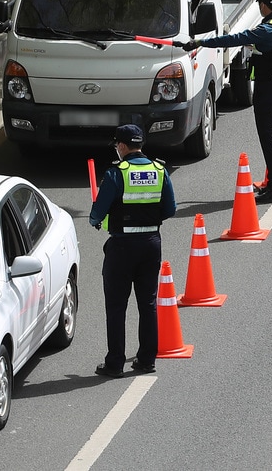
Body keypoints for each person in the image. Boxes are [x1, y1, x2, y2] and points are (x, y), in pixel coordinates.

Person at [183, 0, 272, 201]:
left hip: (266, 89)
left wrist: (199, 42)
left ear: (264, 6)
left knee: (269, 138)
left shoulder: (265, 31)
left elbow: (231, 40)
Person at [91, 124, 176, 379]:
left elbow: (98, 212)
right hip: (151, 242)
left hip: (122, 246)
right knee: (147, 303)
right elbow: (170, 208)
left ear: (123, 146)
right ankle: (147, 359)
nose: (117, 148)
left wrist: (96, 219)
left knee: (117, 307)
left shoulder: (117, 173)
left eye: (118, 144)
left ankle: (115, 363)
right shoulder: (159, 169)